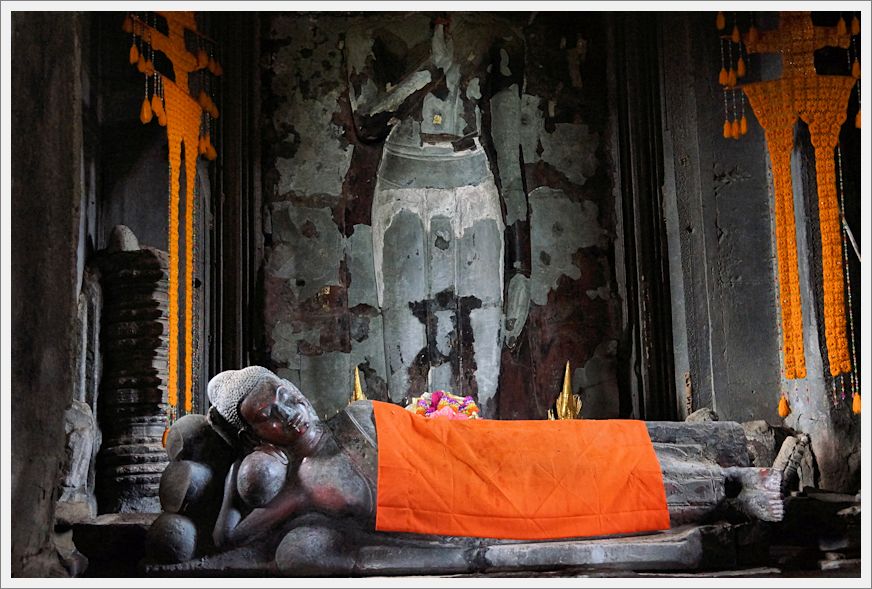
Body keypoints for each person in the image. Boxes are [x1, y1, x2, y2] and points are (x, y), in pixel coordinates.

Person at [203, 367, 783, 554]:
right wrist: (235, 474)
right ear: (262, 437)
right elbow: (233, 538)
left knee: (593, 448)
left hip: (494, 451)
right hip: (475, 506)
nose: (288, 408)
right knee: (591, 494)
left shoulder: (354, 415)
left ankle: (734, 469)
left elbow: (432, 437)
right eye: (268, 415)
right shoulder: (307, 486)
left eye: (282, 391)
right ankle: (732, 492)